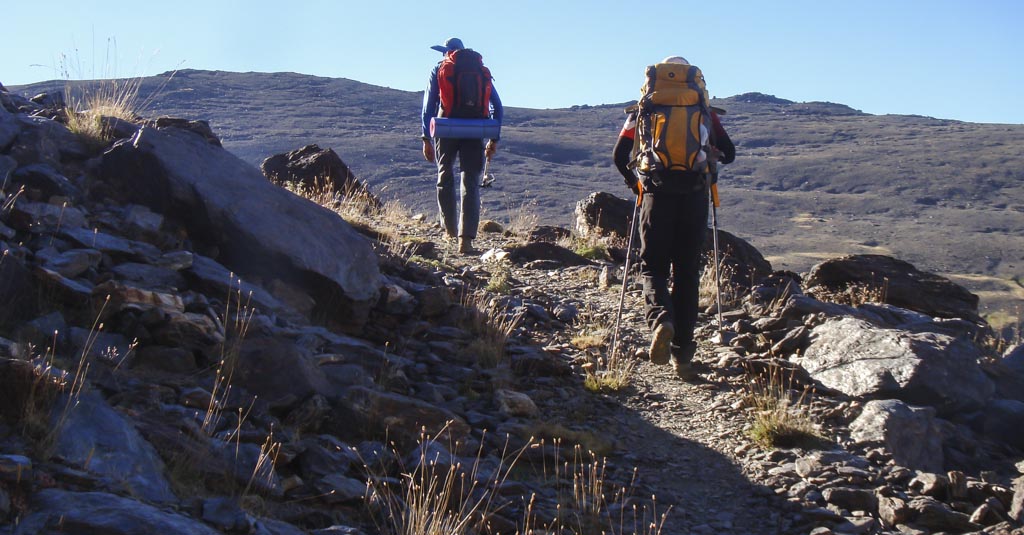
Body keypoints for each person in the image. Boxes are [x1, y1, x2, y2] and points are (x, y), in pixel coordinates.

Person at [613, 56, 735, 379]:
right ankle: (682, 355)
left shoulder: (647, 106)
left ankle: (660, 320)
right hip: (694, 196)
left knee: (652, 265)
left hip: (655, 194)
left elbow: (618, 155)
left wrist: (637, 184)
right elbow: (730, 152)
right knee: (686, 273)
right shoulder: (702, 107)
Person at [421, 37, 504, 254]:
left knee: (444, 173)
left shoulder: (440, 69)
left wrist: (425, 137)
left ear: (446, 52)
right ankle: (465, 241)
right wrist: (493, 139)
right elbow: (497, 106)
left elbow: (429, 105)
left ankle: (449, 231)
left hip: (445, 125)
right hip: (474, 128)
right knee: (470, 180)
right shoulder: (479, 69)